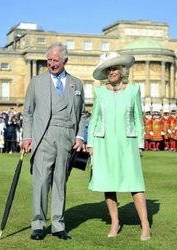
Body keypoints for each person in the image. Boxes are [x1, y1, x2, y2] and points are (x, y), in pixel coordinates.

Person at [22, 43, 86, 241]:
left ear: (65, 61)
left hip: (67, 139)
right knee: (41, 182)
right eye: (49, 60)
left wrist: (80, 136)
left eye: (55, 60)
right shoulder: (36, 82)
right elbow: (28, 112)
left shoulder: (77, 84)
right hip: (43, 138)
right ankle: (38, 225)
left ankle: (58, 226)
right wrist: (27, 137)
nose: (51, 64)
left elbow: (82, 113)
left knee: (60, 182)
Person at [87, 52, 151, 240]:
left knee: (135, 182)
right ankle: (115, 222)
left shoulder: (133, 90)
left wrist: (140, 144)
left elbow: (138, 120)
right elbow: (94, 120)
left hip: (127, 142)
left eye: (115, 68)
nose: (112, 72)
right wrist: (91, 143)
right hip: (103, 142)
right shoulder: (99, 92)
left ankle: (145, 224)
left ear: (122, 71)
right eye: (108, 69)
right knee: (108, 183)